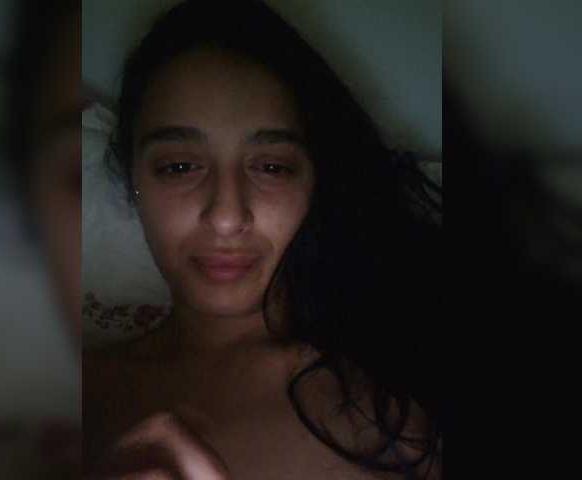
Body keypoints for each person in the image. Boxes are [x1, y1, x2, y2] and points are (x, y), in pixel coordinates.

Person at [84, 1, 442, 479]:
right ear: (135, 182)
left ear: (314, 183)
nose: (226, 217)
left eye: (272, 167)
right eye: (179, 166)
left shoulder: (386, 422)